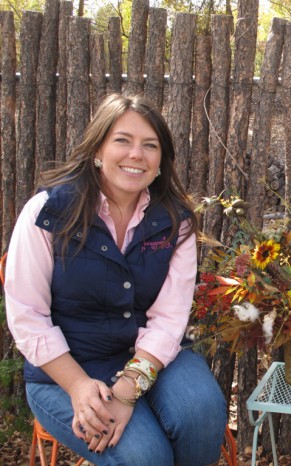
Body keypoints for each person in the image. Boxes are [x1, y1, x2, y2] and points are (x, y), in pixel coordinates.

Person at [5, 93, 227, 465]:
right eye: (122, 140)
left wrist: (127, 390)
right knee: (146, 456)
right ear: (97, 149)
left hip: (154, 356)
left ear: (161, 161)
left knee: (200, 414)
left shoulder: (177, 222)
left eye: (150, 145)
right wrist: (77, 386)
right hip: (70, 367)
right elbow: (27, 316)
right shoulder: (46, 214)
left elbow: (170, 317)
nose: (136, 154)